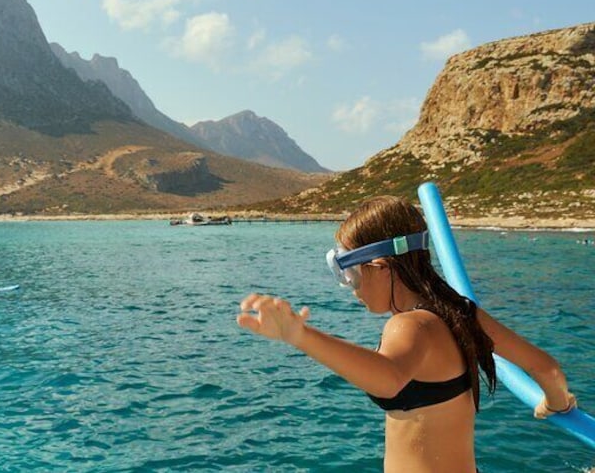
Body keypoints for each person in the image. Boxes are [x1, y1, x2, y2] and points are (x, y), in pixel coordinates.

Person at [237, 195, 577, 472]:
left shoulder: (410, 325)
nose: (351, 289)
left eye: (350, 275)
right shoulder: (461, 312)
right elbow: (546, 368)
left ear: (381, 267)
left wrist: (300, 336)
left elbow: (389, 378)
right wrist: (555, 403)